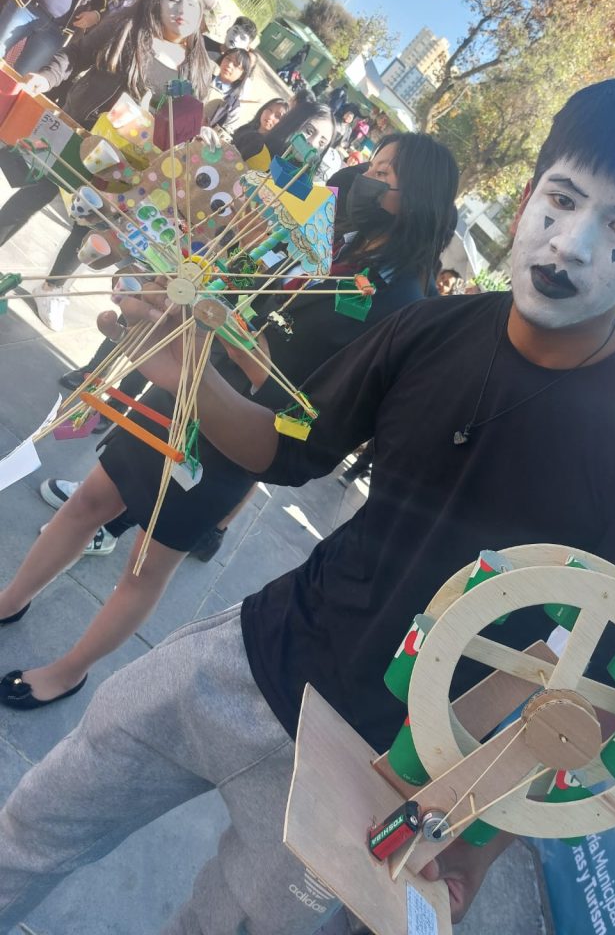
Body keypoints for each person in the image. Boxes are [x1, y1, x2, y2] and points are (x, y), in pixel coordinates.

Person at [0, 78, 615, 932]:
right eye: (562, 201)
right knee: (31, 827)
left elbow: (604, 685)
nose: (572, 244)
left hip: (386, 779)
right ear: (530, 194)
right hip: (255, 654)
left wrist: (475, 843)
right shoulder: (431, 330)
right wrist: (190, 367)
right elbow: (289, 449)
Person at [0, 131, 457, 711]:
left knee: (146, 563)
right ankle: (10, 600)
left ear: (419, 198)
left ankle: (67, 672)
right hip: (187, 384)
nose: (365, 180)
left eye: (384, 175)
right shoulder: (329, 242)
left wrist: (236, 343)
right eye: (371, 165)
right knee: (90, 501)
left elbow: (324, 410)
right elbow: (251, 299)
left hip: (239, 434)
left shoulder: (404, 307)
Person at [0, 0, 212, 331]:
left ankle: (53, 287)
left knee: (92, 225)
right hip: (80, 131)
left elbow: (184, 126)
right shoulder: (127, 28)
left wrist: (199, 135)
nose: (182, 10)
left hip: (128, 161)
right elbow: (77, 54)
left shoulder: (196, 70)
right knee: (36, 192)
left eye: (191, 5)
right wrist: (46, 78)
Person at [205, 45, 252, 132]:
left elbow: (225, 130)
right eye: (228, 59)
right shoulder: (203, 75)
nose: (229, 65)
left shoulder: (233, 105)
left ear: (242, 76)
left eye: (236, 65)